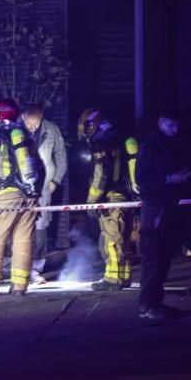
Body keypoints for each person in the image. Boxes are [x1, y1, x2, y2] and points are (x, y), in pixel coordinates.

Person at [0, 98, 41, 296]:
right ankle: (20, 287)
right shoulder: (27, 138)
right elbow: (41, 168)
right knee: (23, 241)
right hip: (29, 197)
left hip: (4, 198)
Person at [134, 111, 191, 319]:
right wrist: (170, 179)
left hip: (166, 207)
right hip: (155, 208)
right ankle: (148, 305)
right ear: (160, 123)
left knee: (162, 257)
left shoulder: (168, 145)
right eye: (170, 126)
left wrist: (180, 176)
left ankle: (154, 303)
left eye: (176, 126)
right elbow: (142, 180)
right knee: (154, 257)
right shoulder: (151, 147)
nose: (174, 130)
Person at [80, 108, 137, 290]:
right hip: (127, 198)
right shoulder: (120, 138)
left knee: (110, 240)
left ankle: (112, 279)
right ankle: (124, 277)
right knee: (124, 239)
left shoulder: (101, 142)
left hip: (110, 199)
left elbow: (100, 175)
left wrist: (91, 201)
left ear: (92, 125)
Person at [21, 103, 68, 284]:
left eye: (36, 124)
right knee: (21, 228)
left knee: (40, 228)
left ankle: (36, 269)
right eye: (29, 124)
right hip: (21, 189)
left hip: (44, 187)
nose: (33, 128)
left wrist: (55, 181)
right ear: (23, 118)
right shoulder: (15, 131)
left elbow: (61, 156)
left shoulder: (51, 129)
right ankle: (20, 268)